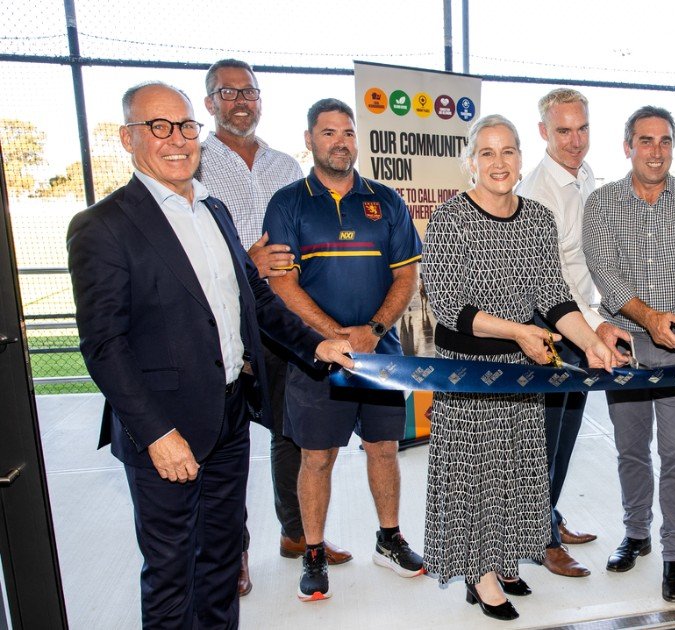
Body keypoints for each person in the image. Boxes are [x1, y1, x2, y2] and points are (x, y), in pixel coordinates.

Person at [66, 81, 353, 629]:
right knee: (173, 569)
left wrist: (317, 343)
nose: (176, 140)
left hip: (227, 419)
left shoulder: (214, 211)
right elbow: (104, 347)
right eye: (158, 127)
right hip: (165, 434)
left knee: (221, 560)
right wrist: (156, 434)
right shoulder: (102, 227)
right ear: (129, 138)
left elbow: (258, 302)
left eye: (185, 126)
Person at [421, 114, 617, 621]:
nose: (498, 162)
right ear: (471, 163)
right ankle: (479, 574)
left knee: (513, 470)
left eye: (507, 151)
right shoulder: (449, 220)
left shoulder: (536, 218)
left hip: (523, 369)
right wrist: (517, 331)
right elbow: (450, 310)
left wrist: (592, 342)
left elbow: (553, 298)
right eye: (486, 153)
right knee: (476, 473)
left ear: (520, 157)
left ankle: (502, 557)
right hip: (467, 373)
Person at [196, 58, 352, 598]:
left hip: (285, 319)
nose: (241, 101)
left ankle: (295, 534)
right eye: (228, 92)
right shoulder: (195, 163)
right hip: (223, 319)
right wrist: (248, 261)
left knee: (293, 428)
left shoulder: (287, 164)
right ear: (210, 101)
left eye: (250, 92)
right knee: (230, 434)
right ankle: (232, 550)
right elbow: (192, 246)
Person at [262, 98, 424, 602]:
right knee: (317, 458)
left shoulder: (386, 200)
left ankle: (389, 539)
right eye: (328, 132)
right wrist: (331, 337)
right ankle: (312, 550)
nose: (340, 141)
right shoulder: (288, 202)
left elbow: (406, 276)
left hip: (378, 354)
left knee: (383, 449)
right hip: (315, 357)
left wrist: (373, 329)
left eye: (348, 132)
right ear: (309, 139)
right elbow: (281, 284)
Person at [584, 105, 675, 603]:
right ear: (627, 146)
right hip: (623, 345)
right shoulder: (601, 203)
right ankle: (637, 533)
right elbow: (605, 275)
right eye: (645, 140)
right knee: (630, 450)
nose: (656, 150)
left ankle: (673, 553)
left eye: (664, 141)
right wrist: (649, 319)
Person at [515, 88, 630, 578]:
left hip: (584, 323)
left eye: (582, 128)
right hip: (553, 326)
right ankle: (537, 536)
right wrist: (593, 327)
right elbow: (549, 276)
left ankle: (549, 514)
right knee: (543, 439)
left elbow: (588, 260)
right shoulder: (538, 190)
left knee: (566, 435)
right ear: (543, 132)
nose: (575, 140)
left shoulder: (584, 176)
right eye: (563, 130)